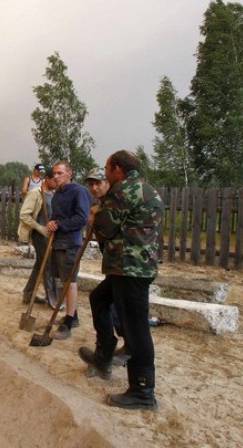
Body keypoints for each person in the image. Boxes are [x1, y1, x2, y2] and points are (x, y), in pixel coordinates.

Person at [78, 150, 164, 411]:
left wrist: (95, 214)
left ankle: (142, 391)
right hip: (134, 267)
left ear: (118, 169)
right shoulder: (149, 190)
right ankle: (104, 356)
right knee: (99, 299)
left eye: (107, 168)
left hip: (129, 269)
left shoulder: (122, 191)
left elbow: (105, 227)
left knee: (136, 329)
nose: (105, 174)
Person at [85, 167, 130, 367]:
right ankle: (109, 349)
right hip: (114, 265)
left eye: (98, 183)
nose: (94, 188)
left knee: (104, 300)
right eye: (91, 184)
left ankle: (112, 350)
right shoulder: (103, 205)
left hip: (124, 264)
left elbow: (109, 233)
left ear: (108, 183)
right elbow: (101, 237)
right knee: (106, 301)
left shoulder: (112, 203)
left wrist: (98, 217)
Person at [46, 161, 91, 340]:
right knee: (63, 280)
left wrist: (60, 225)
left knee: (70, 282)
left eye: (60, 173)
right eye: (54, 173)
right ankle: (74, 316)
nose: (56, 176)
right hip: (58, 242)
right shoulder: (57, 194)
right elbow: (56, 217)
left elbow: (82, 218)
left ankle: (68, 323)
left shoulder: (79, 191)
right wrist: (51, 223)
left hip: (71, 243)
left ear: (69, 173)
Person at [18, 172, 58, 307]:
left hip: (50, 235)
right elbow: (24, 215)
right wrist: (40, 228)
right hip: (39, 236)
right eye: (54, 179)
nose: (57, 182)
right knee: (47, 265)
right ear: (47, 179)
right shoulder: (36, 193)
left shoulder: (54, 194)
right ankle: (52, 299)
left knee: (40, 264)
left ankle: (28, 294)